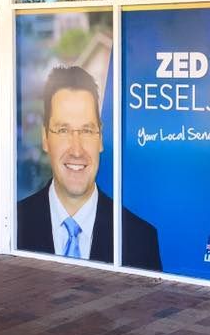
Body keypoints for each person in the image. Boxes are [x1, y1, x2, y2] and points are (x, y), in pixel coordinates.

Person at [17, 66, 162, 270]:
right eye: (63, 130)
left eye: (87, 130)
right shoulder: (13, 226)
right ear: (45, 138)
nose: (76, 150)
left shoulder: (140, 240)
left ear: (101, 138)